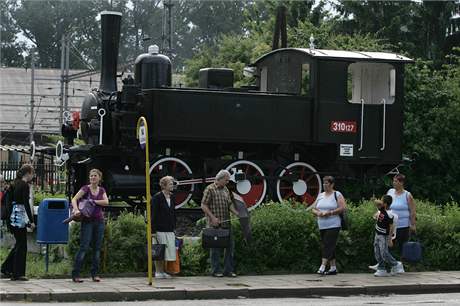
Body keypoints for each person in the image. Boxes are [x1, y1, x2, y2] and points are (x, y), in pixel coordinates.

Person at [70, 169, 109, 283]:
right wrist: (76, 209)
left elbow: (106, 202)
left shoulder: (102, 190)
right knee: (84, 247)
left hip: (99, 221)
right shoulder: (85, 189)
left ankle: (95, 274)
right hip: (87, 221)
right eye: (91, 176)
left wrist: (94, 201)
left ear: (99, 178)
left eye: (95, 176)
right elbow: (74, 199)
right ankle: (76, 274)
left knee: (97, 249)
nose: (92, 178)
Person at [201, 170, 239, 277]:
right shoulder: (209, 189)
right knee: (215, 249)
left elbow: (229, 204)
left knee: (230, 248)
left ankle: (228, 270)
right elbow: (203, 205)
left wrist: (236, 213)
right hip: (214, 225)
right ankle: (216, 271)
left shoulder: (226, 189)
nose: (227, 182)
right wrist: (212, 218)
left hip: (227, 224)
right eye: (226, 180)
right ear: (220, 179)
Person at [1, 164, 35, 281]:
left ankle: (6, 268)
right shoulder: (25, 185)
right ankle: (18, 273)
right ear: (28, 173)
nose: (33, 176)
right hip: (20, 217)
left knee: (19, 244)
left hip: (12, 217)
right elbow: (25, 203)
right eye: (32, 173)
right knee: (22, 246)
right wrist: (31, 221)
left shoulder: (14, 183)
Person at [311, 176, 346, 275]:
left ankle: (322, 267)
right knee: (329, 245)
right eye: (324, 183)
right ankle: (333, 268)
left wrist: (330, 213)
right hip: (322, 224)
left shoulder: (337, 194)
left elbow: (342, 207)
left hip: (333, 224)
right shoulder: (321, 195)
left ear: (332, 184)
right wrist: (317, 213)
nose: (324, 185)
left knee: (327, 244)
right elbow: (313, 208)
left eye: (327, 183)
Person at [372, 195, 405, 277]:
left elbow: (391, 227)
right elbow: (377, 203)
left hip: (384, 236)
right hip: (377, 233)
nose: (380, 202)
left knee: (384, 253)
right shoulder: (382, 209)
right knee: (377, 251)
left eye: (382, 201)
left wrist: (390, 239)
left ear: (385, 204)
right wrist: (375, 200)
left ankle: (396, 264)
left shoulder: (390, 214)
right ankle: (381, 268)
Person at [151, 176, 176, 279]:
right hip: (159, 229)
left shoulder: (172, 197)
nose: (172, 185)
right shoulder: (157, 198)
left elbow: (174, 213)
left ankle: (164, 271)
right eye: (170, 184)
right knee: (159, 250)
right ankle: (158, 271)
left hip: (169, 229)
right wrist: (153, 230)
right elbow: (153, 214)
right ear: (164, 186)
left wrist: (174, 227)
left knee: (167, 252)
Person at [387, 174, 416, 257]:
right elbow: (385, 205)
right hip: (391, 225)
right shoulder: (390, 192)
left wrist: (413, 224)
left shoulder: (407, 195)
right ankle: (389, 264)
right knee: (388, 246)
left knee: (402, 248)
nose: (393, 183)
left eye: (396, 181)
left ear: (401, 183)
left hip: (403, 226)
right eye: (393, 181)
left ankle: (401, 265)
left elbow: (413, 211)